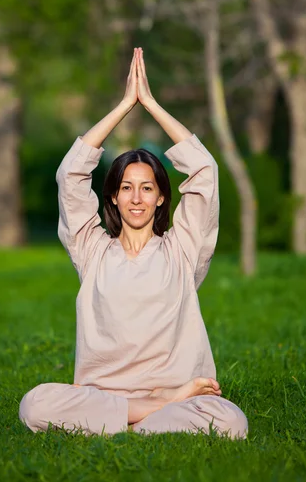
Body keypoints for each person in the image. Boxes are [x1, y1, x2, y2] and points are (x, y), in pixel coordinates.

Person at [19, 48, 248, 439]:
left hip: (171, 391)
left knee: (232, 422)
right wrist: (125, 105)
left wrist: (151, 104)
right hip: (109, 394)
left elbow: (204, 170)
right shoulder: (92, 250)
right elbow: (71, 175)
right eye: (126, 188)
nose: (137, 198)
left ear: (162, 197)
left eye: (147, 188)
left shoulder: (182, 249)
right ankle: (152, 415)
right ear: (112, 196)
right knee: (33, 404)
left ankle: (126, 421)